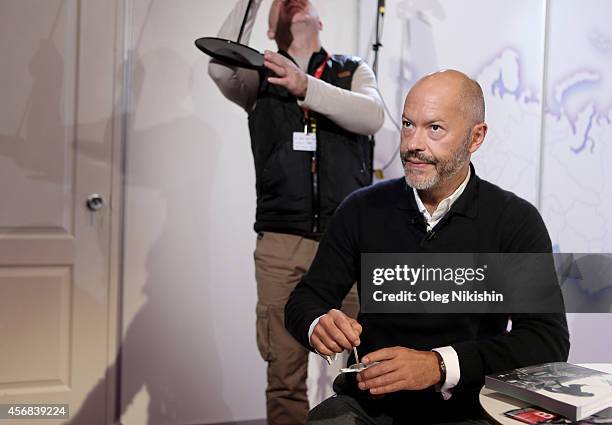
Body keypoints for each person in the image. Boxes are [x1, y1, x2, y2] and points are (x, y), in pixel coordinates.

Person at [285, 70, 570, 424]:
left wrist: (438, 365)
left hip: (471, 408)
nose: (412, 144)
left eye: (434, 128)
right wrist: (317, 324)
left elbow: (547, 340)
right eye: (407, 124)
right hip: (371, 407)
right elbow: (305, 299)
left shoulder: (514, 221)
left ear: (475, 137)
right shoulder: (362, 209)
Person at [208, 1, 385, 424]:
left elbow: (372, 115)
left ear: (320, 23)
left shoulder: (351, 70)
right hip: (281, 244)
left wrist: (305, 85)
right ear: (269, 31)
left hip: (347, 247)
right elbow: (218, 65)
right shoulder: (257, 78)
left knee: (369, 371)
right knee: (284, 376)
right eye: (279, 5)